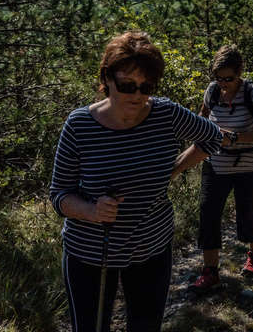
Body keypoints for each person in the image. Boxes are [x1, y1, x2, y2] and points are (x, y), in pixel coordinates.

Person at [49, 31, 231, 332]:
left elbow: (212, 138)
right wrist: (92, 211)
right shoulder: (79, 125)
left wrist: (171, 171)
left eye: (146, 87)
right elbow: (59, 194)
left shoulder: (166, 114)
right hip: (90, 253)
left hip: (151, 248)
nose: (137, 95)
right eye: (126, 85)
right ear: (107, 79)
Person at [189, 44, 253, 293]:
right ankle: (210, 271)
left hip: (252, 165)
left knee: (251, 211)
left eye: (228, 78)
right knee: (208, 213)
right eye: (218, 78)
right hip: (216, 163)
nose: (223, 83)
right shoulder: (212, 91)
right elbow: (201, 120)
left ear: (240, 73)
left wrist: (235, 137)